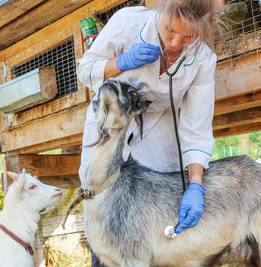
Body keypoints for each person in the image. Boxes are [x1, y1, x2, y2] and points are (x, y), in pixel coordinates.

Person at [76, 0, 217, 265]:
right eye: (168, 30)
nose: (175, 43)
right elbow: (85, 69)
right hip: (111, 123)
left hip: (158, 129)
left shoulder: (204, 59)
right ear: (161, 13)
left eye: (187, 36)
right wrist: (121, 62)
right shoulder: (127, 21)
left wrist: (196, 184)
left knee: (158, 223)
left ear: (203, 29)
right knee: (103, 213)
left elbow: (196, 127)